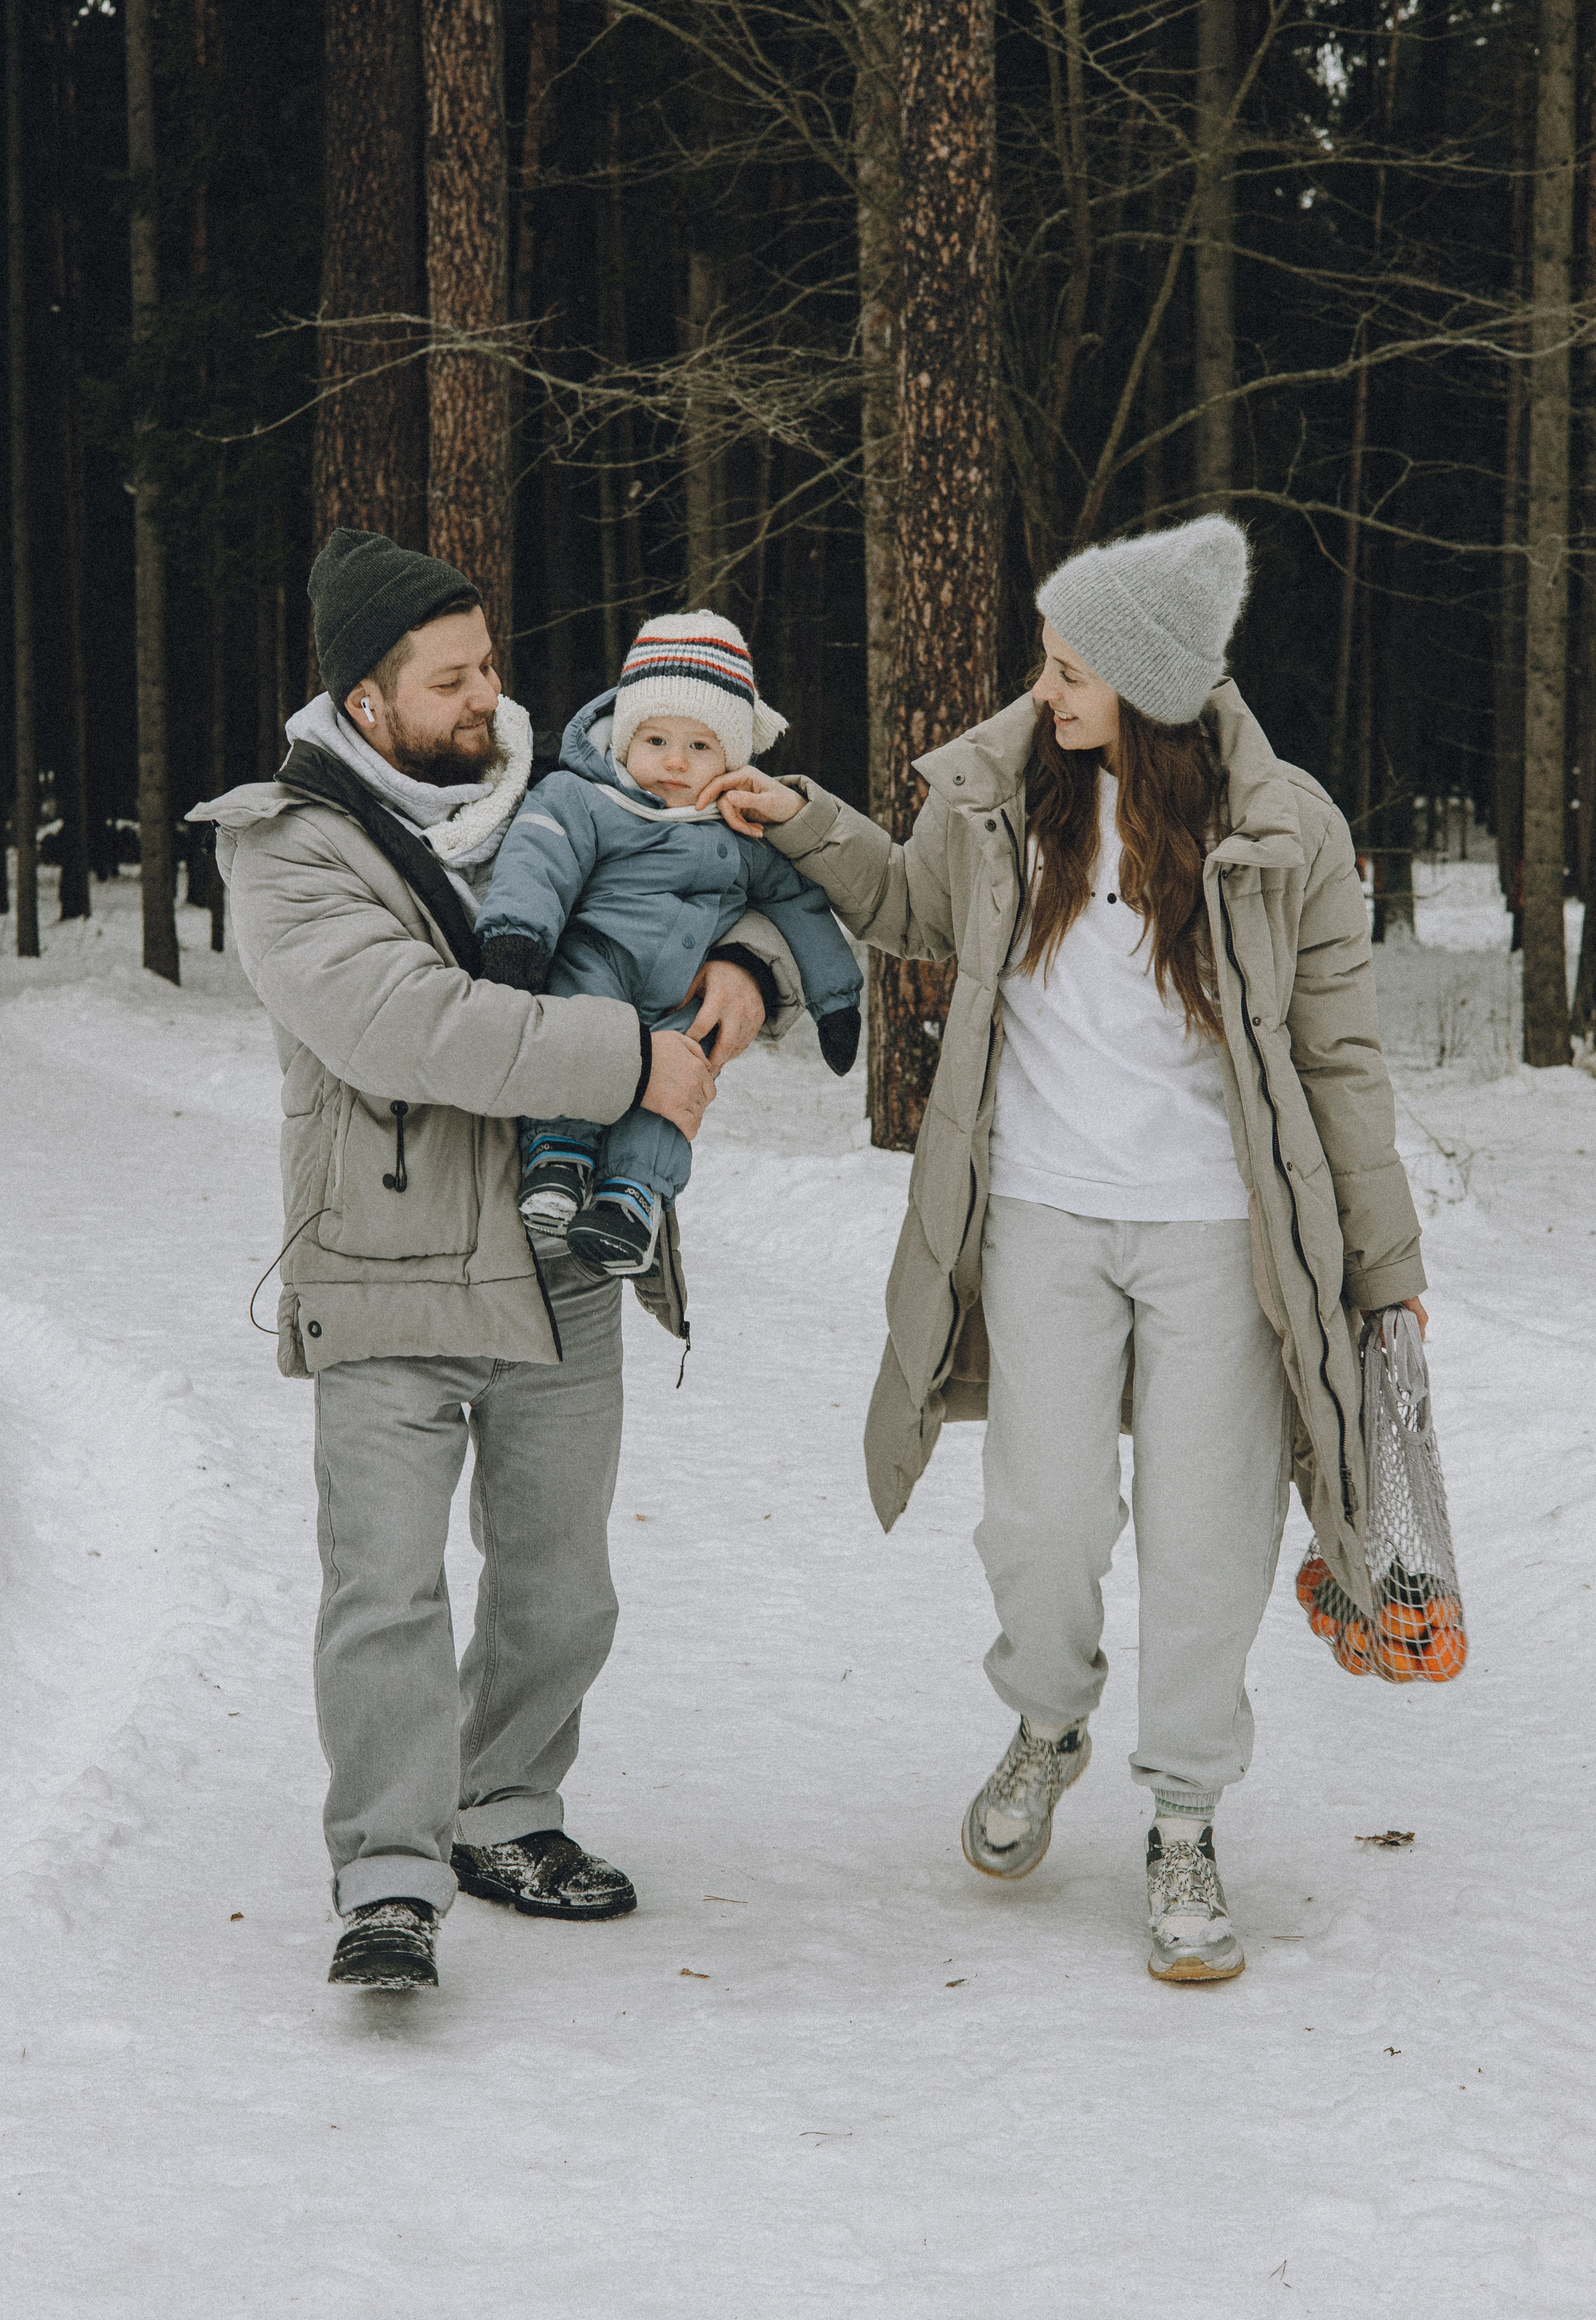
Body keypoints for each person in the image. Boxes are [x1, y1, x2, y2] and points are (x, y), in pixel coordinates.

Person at [701, 514, 1428, 1985]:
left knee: (1207, 1535)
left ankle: (1180, 1816)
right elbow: (908, 909)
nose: (1044, 688)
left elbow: (1340, 1056)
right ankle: (1045, 1718)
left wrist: (1381, 1261)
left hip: (1220, 1232)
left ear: (1152, 686)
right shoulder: (996, 800)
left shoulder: (1278, 829)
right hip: (1035, 1206)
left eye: (1072, 665)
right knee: (1035, 1516)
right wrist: (800, 817)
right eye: (1045, 658)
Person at [190, 529, 804, 1991]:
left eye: (490, 667)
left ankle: (507, 1808)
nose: (486, 698)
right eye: (450, 679)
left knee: (558, 1581)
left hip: (555, 1255)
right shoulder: (288, 844)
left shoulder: (571, 786)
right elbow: (407, 1026)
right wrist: (636, 1059)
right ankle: (390, 1873)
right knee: (387, 1585)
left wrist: (754, 969)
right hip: (387, 1260)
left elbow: (714, 871)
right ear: (361, 701)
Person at [474, 612, 863, 1277]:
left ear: (734, 758)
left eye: (701, 746)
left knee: (688, 1064)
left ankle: (633, 1198)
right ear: (625, 740)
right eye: (655, 738)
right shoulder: (582, 797)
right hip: (597, 962)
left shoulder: (742, 829)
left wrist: (837, 999)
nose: (675, 762)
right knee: (580, 1010)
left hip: (684, 994)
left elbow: (800, 905)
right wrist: (516, 938)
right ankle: (559, 1153)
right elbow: (537, 857)